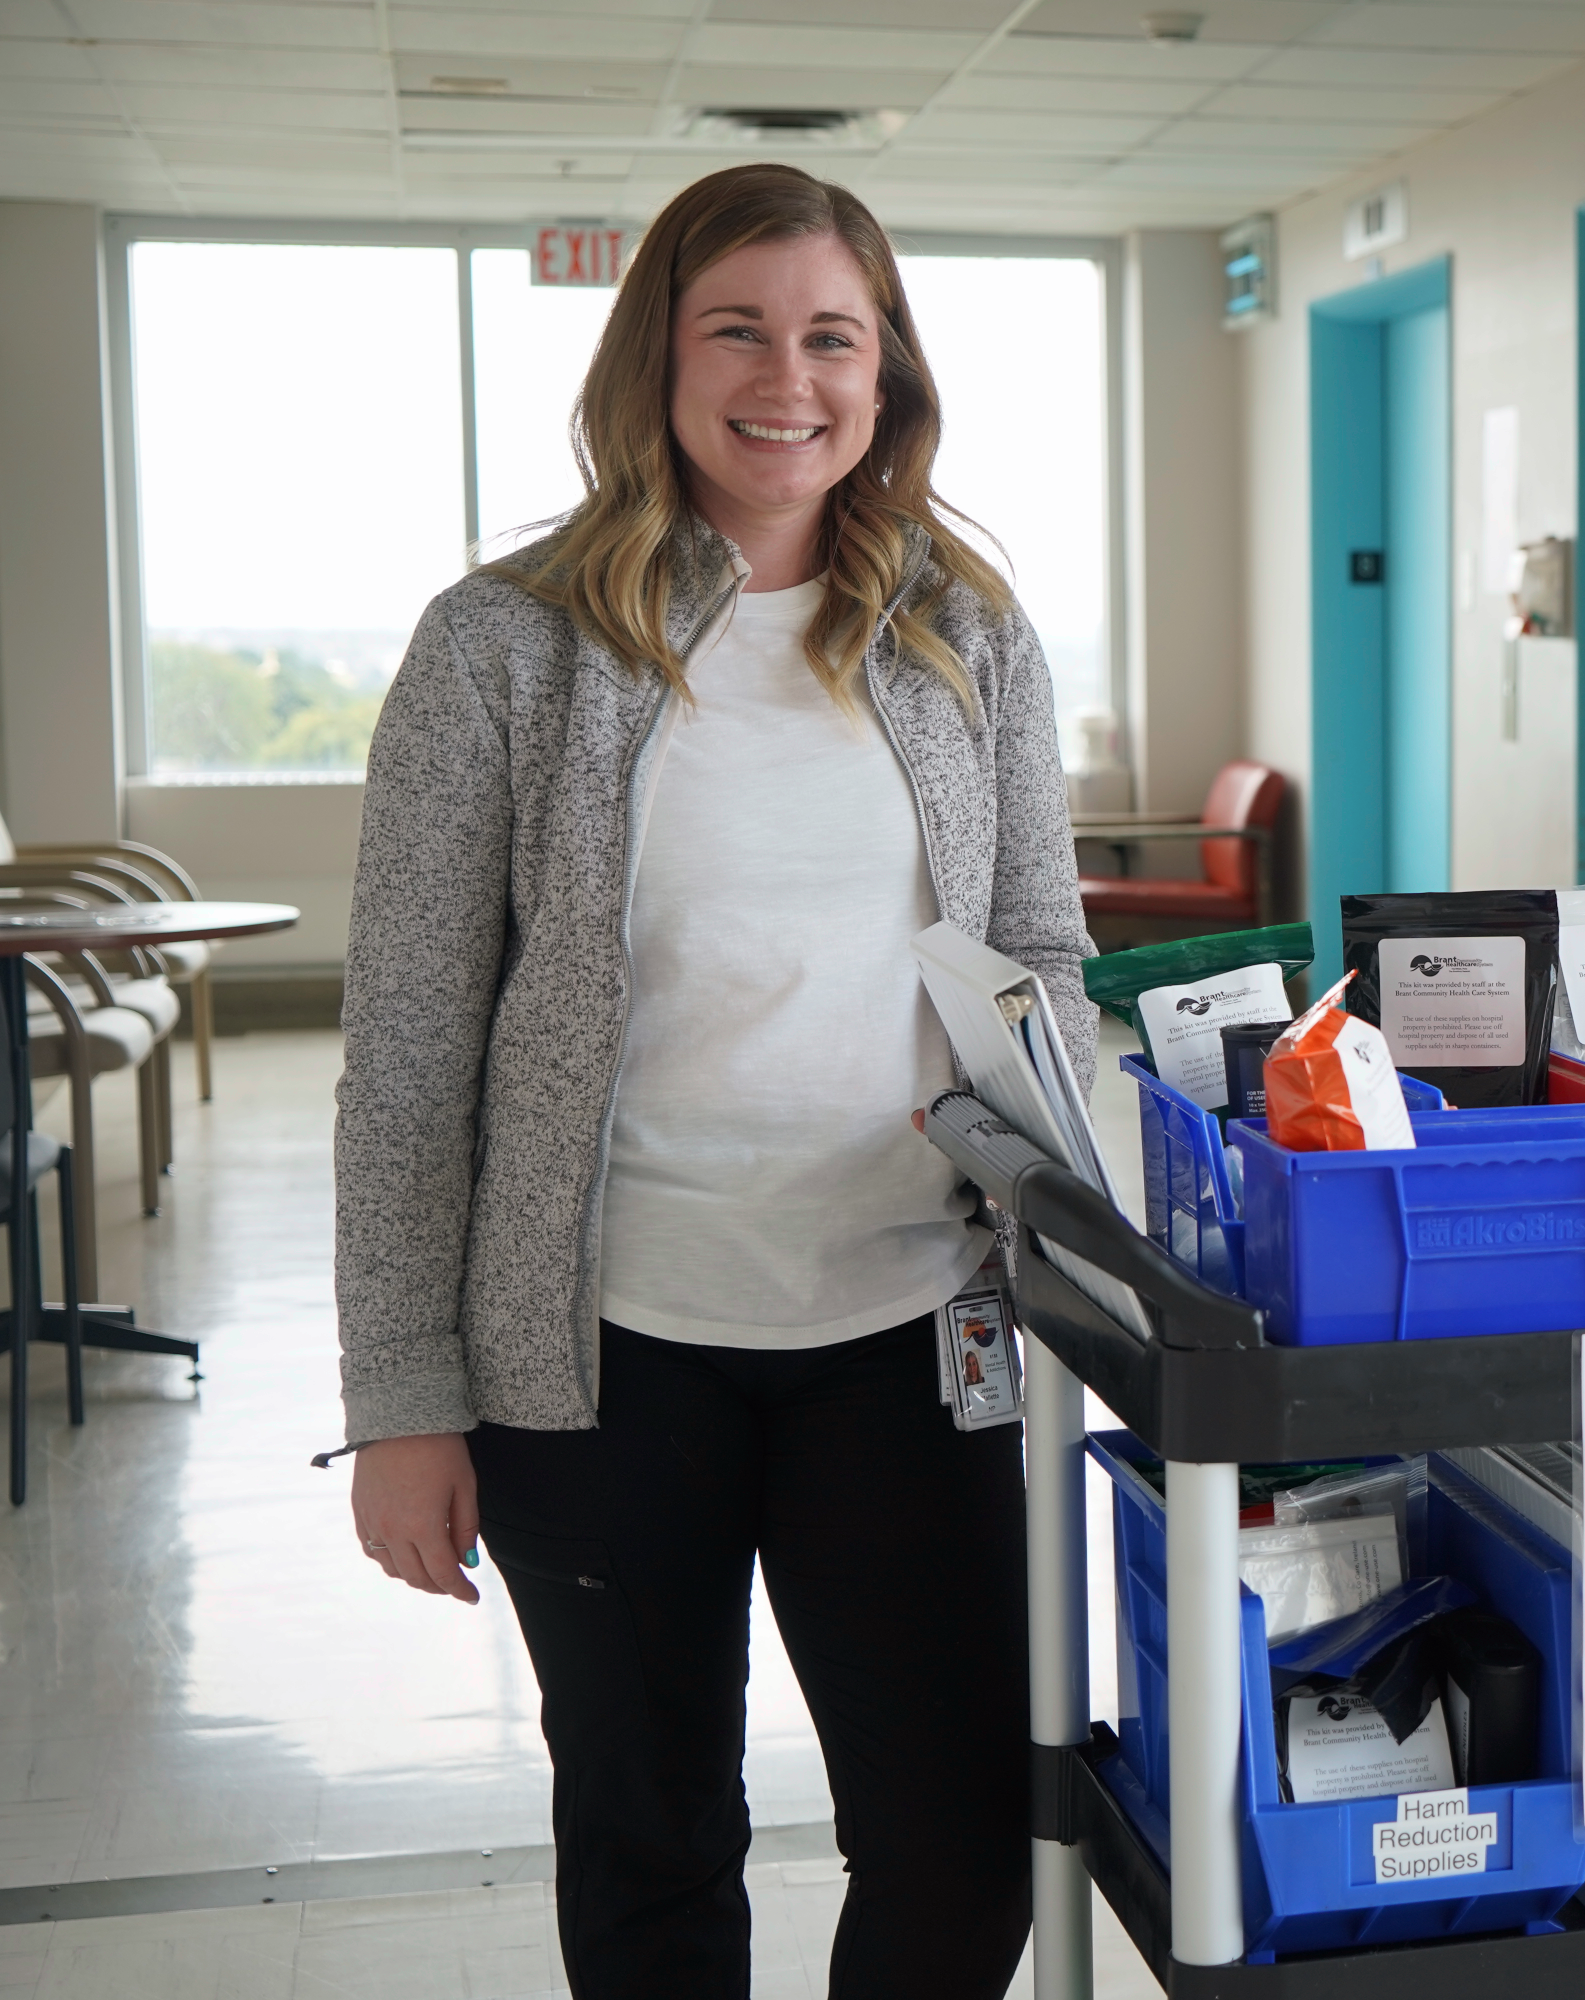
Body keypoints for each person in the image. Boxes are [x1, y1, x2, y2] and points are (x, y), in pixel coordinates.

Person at [332, 162, 1091, 1998]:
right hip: (601, 1359)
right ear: (655, 362)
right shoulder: (503, 645)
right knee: (651, 1834)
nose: (788, 376)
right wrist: (405, 1401)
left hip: (918, 1336)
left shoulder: (965, 635)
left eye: (833, 333)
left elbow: (1039, 964)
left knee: (961, 1836)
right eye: (736, 329)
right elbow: (413, 1050)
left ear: (885, 369)